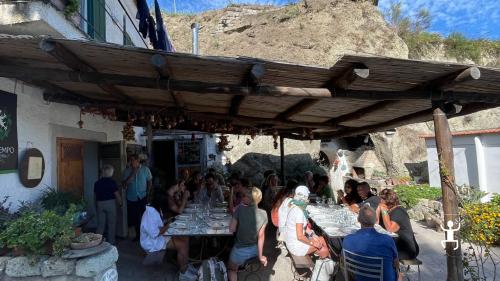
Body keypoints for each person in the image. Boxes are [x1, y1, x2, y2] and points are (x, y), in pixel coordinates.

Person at [139, 190, 195, 280]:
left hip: (158, 236)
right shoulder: (150, 214)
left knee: (185, 237)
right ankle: (183, 273)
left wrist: (168, 221)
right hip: (152, 242)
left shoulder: (155, 208)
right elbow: (155, 234)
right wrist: (169, 224)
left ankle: (185, 265)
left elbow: (158, 225)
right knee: (182, 245)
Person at [343, 205, 399, 281]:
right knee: (400, 274)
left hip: (359, 278)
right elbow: (396, 264)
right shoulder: (388, 240)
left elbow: (346, 266)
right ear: (376, 220)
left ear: (358, 219)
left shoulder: (347, 240)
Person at [227, 187, 268, 281]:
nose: (242, 197)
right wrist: (261, 256)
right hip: (255, 251)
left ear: (251, 199)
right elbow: (261, 237)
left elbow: (231, 229)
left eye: (244, 195)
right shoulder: (264, 213)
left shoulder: (240, 209)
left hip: (239, 251)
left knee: (231, 269)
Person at [284, 186, 330, 259]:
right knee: (324, 250)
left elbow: (302, 227)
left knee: (321, 238)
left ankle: (323, 259)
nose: (308, 200)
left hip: (290, 241)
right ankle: (324, 264)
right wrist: (312, 243)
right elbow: (300, 237)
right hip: (295, 246)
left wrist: (312, 234)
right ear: (304, 197)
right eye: (307, 198)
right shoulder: (299, 211)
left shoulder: (293, 204)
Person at [377, 189, 420, 260]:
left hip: (406, 250)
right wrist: (378, 209)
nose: (379, 202)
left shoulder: (399, 211)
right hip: (394, 245)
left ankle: (392, 271)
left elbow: (390, 229)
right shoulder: (389, 210)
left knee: (377, 252)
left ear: (387, 201)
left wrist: (383, 210)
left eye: (381, 200)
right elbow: (376, 223)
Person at [122, 154, 153, 241]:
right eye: (130, 160)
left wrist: (148, 193)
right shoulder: (126, 171)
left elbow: (150, 182)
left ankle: (146, 235)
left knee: (144, 217)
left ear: (138, 160)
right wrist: (133, 173)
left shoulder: (145, 169)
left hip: (143, 196)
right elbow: (124, 185)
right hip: (131, 197)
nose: (131, 162)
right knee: (135, 218)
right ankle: (138, 235)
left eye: (133, 160)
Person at [94, 164, 122, 245]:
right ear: (110, 173)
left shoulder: (97, 183)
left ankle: (96, 243)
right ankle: (111, 243)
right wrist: (120, 203)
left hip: (100, 203)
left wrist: (96, 205)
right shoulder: (112, 182)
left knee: (100, 225)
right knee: (111, 224)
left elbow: (95, 196)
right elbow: (117, 194)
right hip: (110, 203)